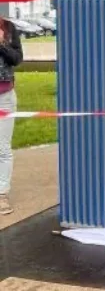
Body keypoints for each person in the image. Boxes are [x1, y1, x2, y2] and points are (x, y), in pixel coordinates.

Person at [0, 16, 23, 215]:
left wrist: (1, 45)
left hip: (4, 97)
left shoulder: (8, 28)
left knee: (3, 148)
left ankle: (2, 194)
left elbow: (17, 59)